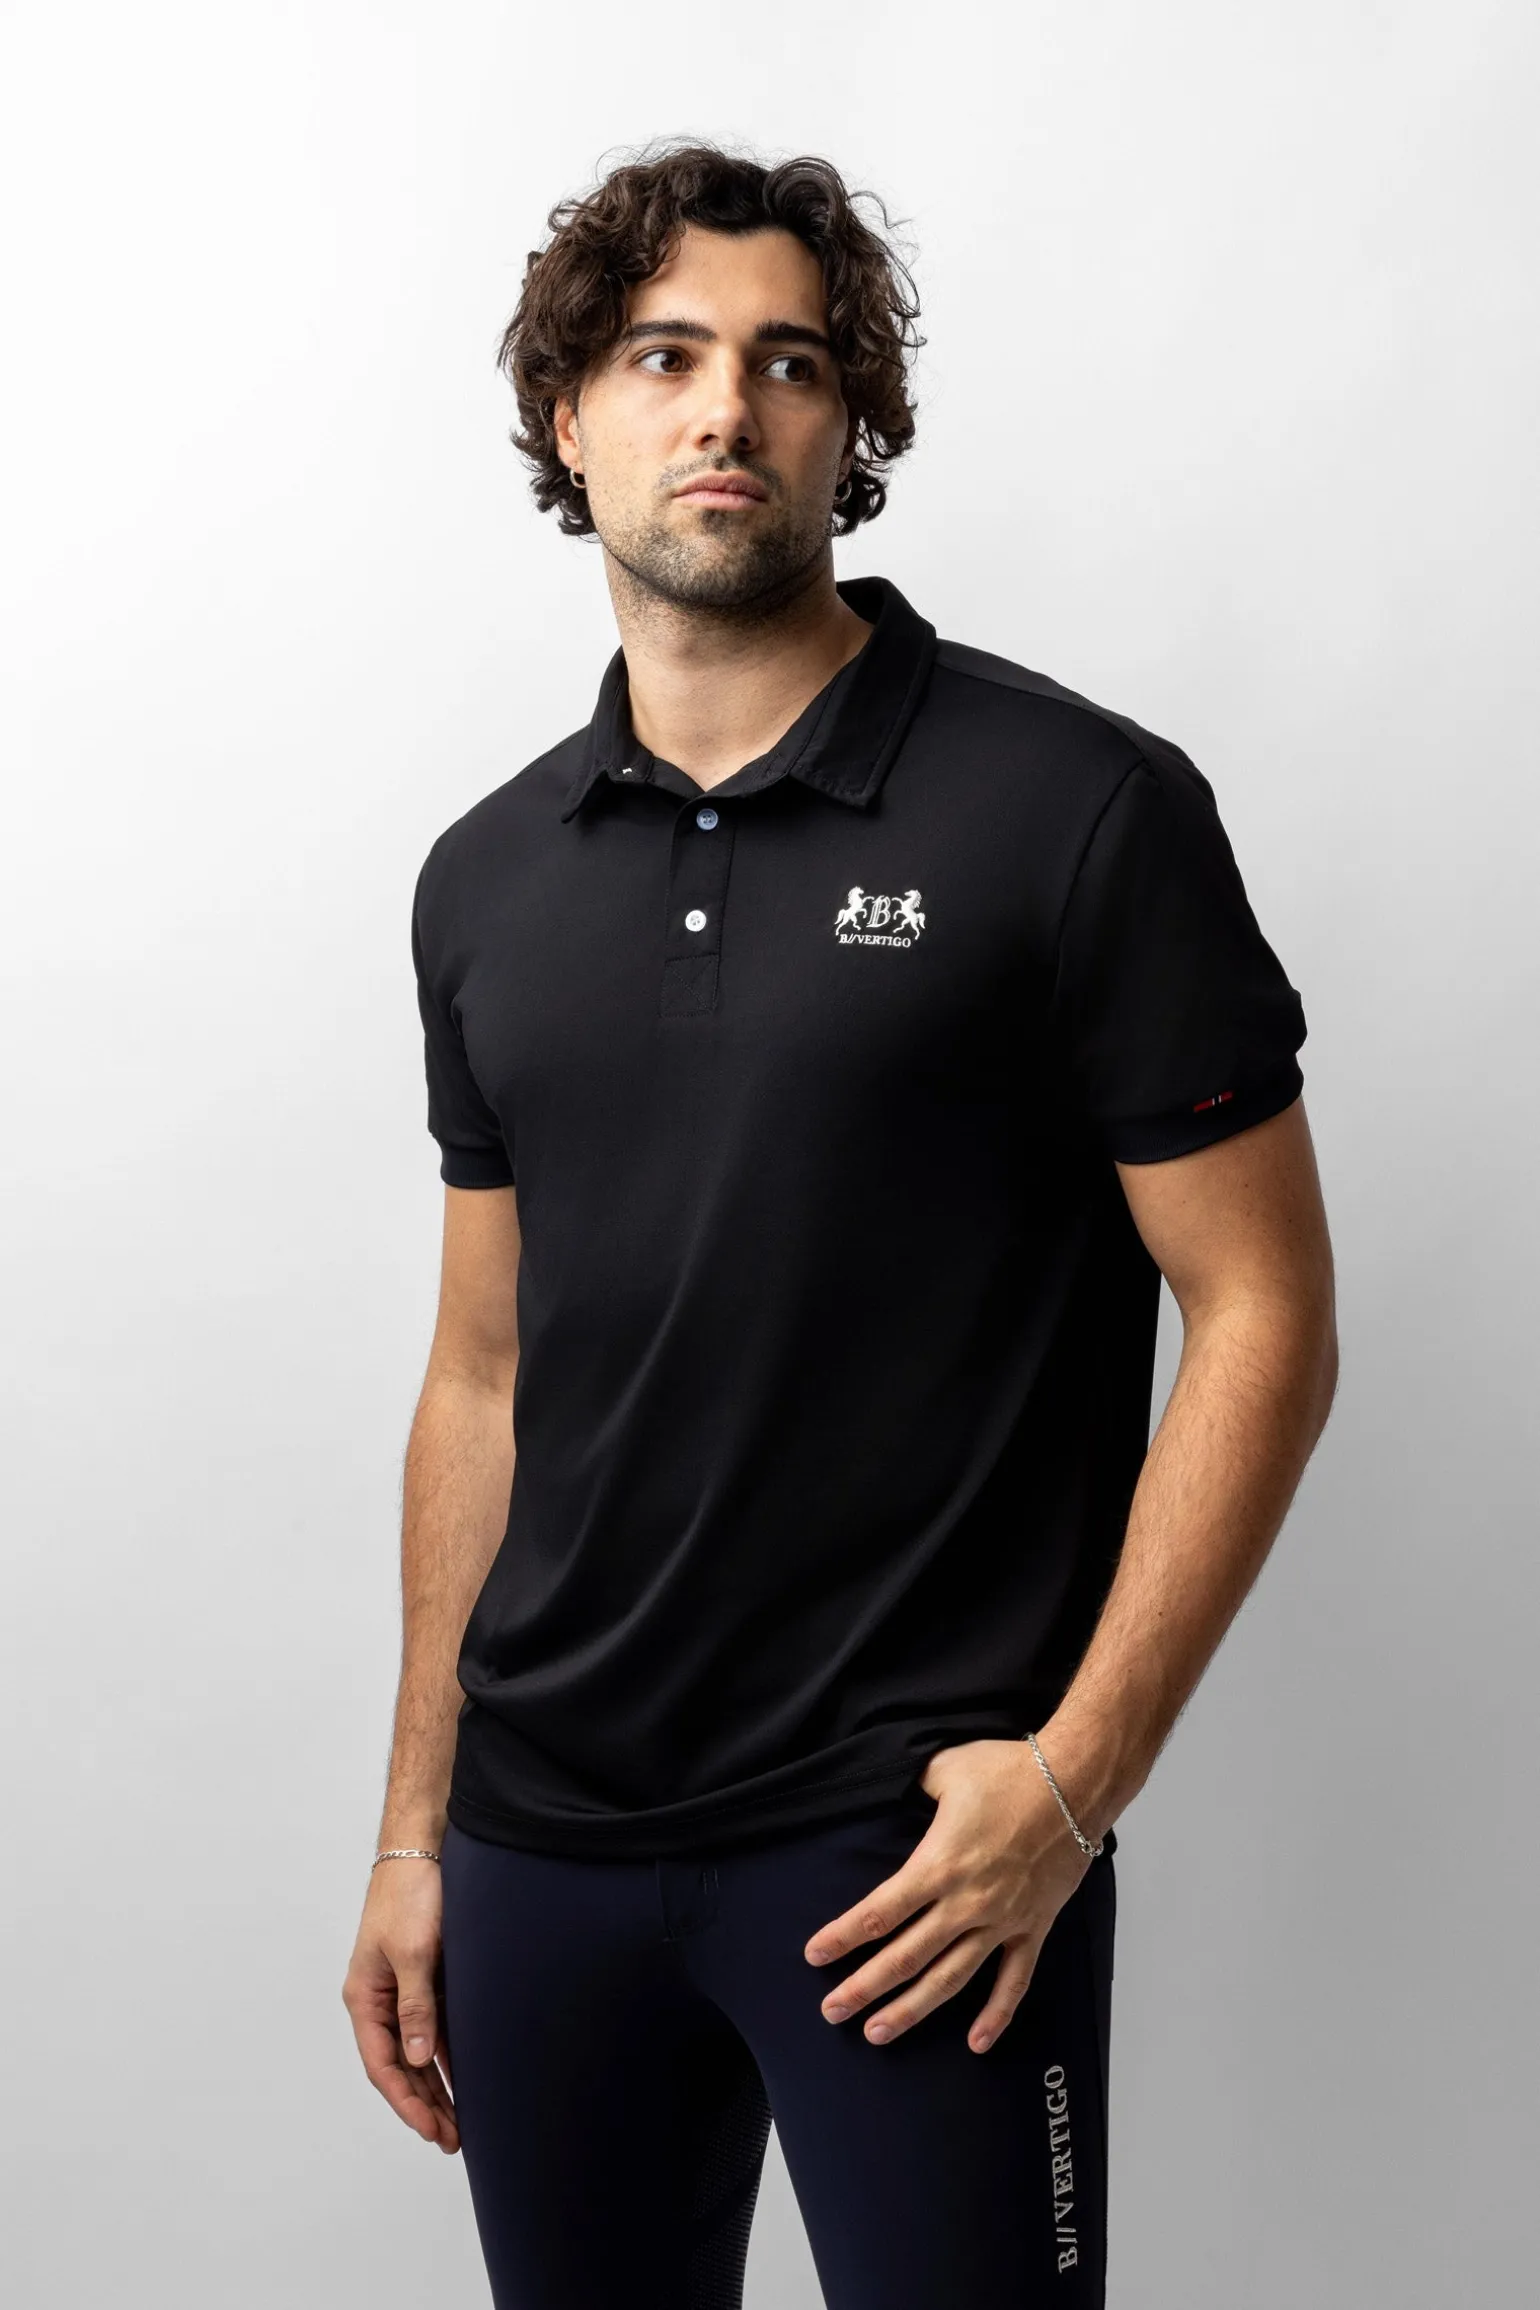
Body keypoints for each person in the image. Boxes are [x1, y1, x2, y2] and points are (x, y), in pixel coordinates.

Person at [341, 141, 1338, 2309]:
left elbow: (1261, 1304)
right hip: (541, 1855)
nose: (726, 407)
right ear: (566, 416)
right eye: (662, 356)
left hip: (912, 1860)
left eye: (786, 363)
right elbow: (483, 1372)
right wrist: (418, 1826)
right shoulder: (484, 879)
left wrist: (1073, 1782)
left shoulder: (1076, 812)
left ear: (845, 420)